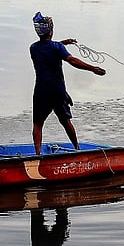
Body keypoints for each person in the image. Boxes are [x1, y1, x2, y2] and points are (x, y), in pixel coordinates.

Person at [30, 12, 106, 154]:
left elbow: (48, 47)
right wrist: (92, 68)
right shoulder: (57, 48)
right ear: (51, 32)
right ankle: (77, 149)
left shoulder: (33, 48)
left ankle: (37, 154)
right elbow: (71, 60)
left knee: (38, 124)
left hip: (40, 91)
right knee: (65, 121)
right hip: (58, 91)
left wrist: (64, 43)